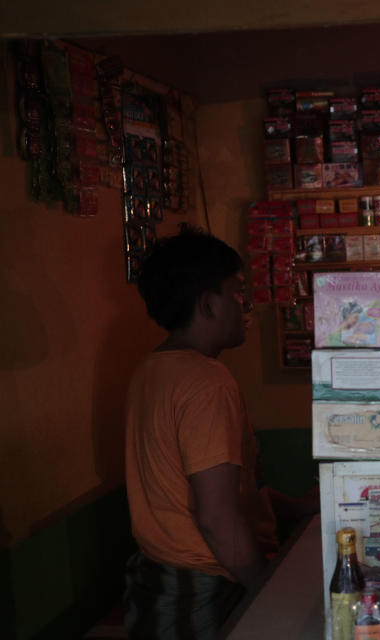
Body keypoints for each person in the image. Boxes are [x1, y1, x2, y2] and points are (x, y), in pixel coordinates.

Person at [123, 226, 314, 639]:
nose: (247, 304)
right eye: (238, 291)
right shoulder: (207, 382)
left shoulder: (150, 370)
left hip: (163, 579)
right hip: (206, 586)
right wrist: (269, 590)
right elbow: (216, 519)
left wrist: (296, 508)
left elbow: (207, 492)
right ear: (208, 304)